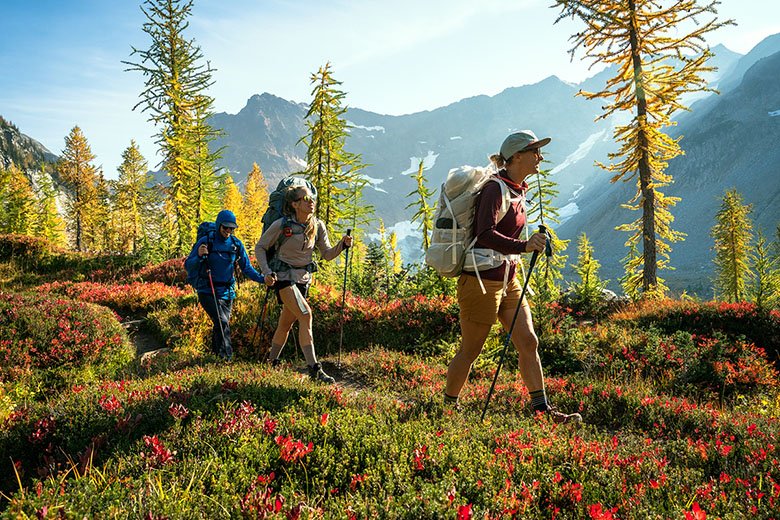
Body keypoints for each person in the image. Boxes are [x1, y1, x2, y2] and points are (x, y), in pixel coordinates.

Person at [444, 130, 582, 424]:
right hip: (481, 280)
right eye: (535, 152)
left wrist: (523, 249)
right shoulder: (495, 189)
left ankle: (543, 412)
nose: (540, 158)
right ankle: (447, 407)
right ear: (517, 156)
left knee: (528, 341)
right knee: (471, 350)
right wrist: (525, 246)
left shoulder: (518, 188)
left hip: (508, 280)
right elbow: (484, 233)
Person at [255, 185, 353, 383]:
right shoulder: (282, 225)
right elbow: (260, 247)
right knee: (306, 314)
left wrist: (342, 245)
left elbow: (326, 254)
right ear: (294, 204)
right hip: (282, 278)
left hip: (303, 281)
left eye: (311, 198)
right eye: (305, 198)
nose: (311, 201)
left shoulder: (317, 226)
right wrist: (266, 272)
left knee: (285, 324)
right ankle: (315, 369)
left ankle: (271, 363)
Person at [184, 210, 265, 361]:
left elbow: (247, 268)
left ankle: (214, 359)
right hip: (207, 290)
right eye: (225, 227)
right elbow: (188, 265)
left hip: (228, 292)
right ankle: (227, 358)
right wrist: (199, 256)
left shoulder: (236, 244)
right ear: (218, 225)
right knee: (222, 322)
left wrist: (263, 279)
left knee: (220, 325)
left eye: (231, 228)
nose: (228, 231)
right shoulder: (205, 241)